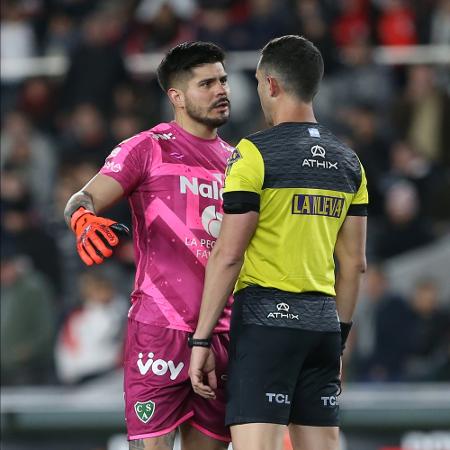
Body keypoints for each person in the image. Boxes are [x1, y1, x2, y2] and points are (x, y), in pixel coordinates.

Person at [189, 35, 368, 450]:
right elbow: (355, 263)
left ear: (270, 85)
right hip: (323, 326)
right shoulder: (349, 161)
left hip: (266, 325)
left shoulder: (253, 153)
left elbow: (229, 254)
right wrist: (338, 338)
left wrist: (201, 339)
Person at [64, 42, 233, 450]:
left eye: (223, 80)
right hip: (160, 329)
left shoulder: (239, 160)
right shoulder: (148, 147)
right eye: (207, 83)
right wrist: (83, 219)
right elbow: (81, 199)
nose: (221, 90)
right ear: (175, 96)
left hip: (222, 333)